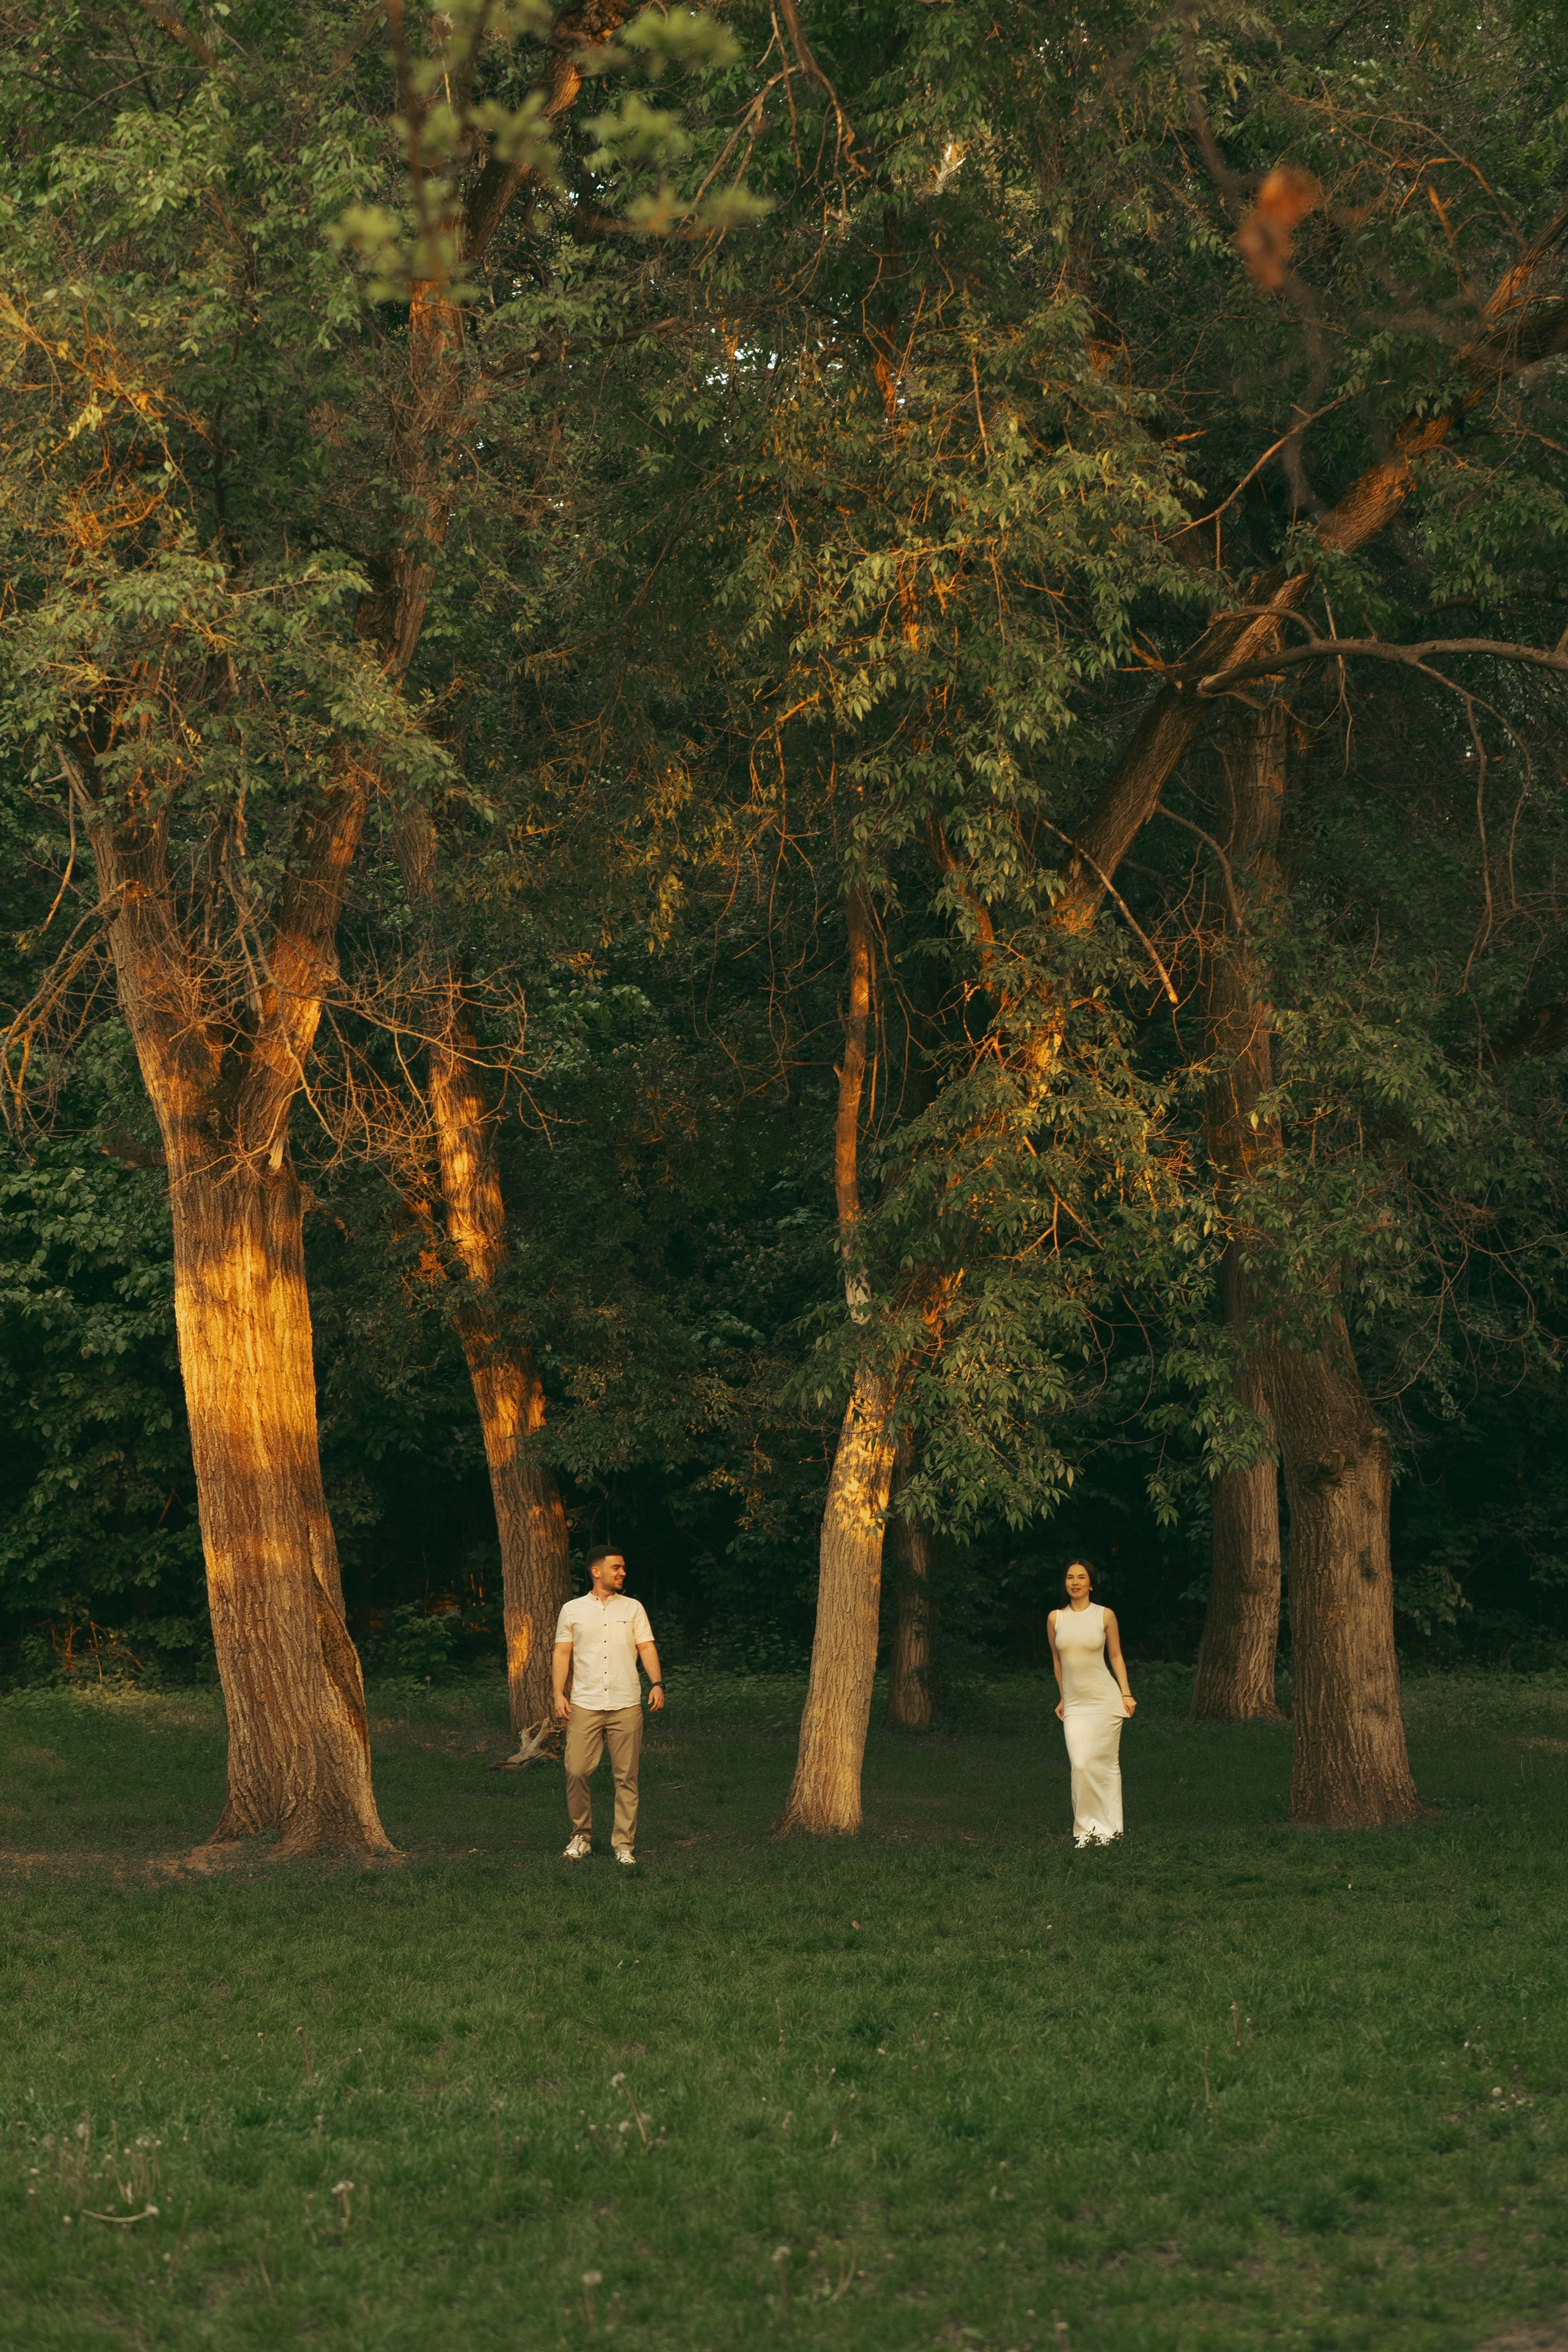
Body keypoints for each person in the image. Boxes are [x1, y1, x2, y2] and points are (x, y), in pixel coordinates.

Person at [553, 1544, 664, 1868]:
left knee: (626, 1776)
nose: (623, 1573)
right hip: (585, 1702)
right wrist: (558, 1694)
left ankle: (624, 1844)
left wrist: (658, 1684)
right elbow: (562, 1653)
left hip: (625, 1702)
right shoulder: (572, 1610)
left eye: (623, 1567)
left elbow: (646, 1646)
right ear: (596, 1571)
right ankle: (581, 1836)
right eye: (616, 1567)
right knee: (576, 1770)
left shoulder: (633, 1608)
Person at [1047, 1558, 1136, 1845]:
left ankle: (1110, 1831)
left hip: (1104, 1700)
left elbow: (1116, 1656)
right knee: (1081, 1764)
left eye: (1081, 1577)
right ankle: (1086, 1831)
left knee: (1105, 1765)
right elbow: (1057, 1661)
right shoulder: (1055, 1618)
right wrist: (1063, 1697)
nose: (1075, 1582)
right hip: (1076, 1705)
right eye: (1070, 1577)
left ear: (1091, 1584)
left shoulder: (1104, 1615)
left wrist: (1125, 1693)